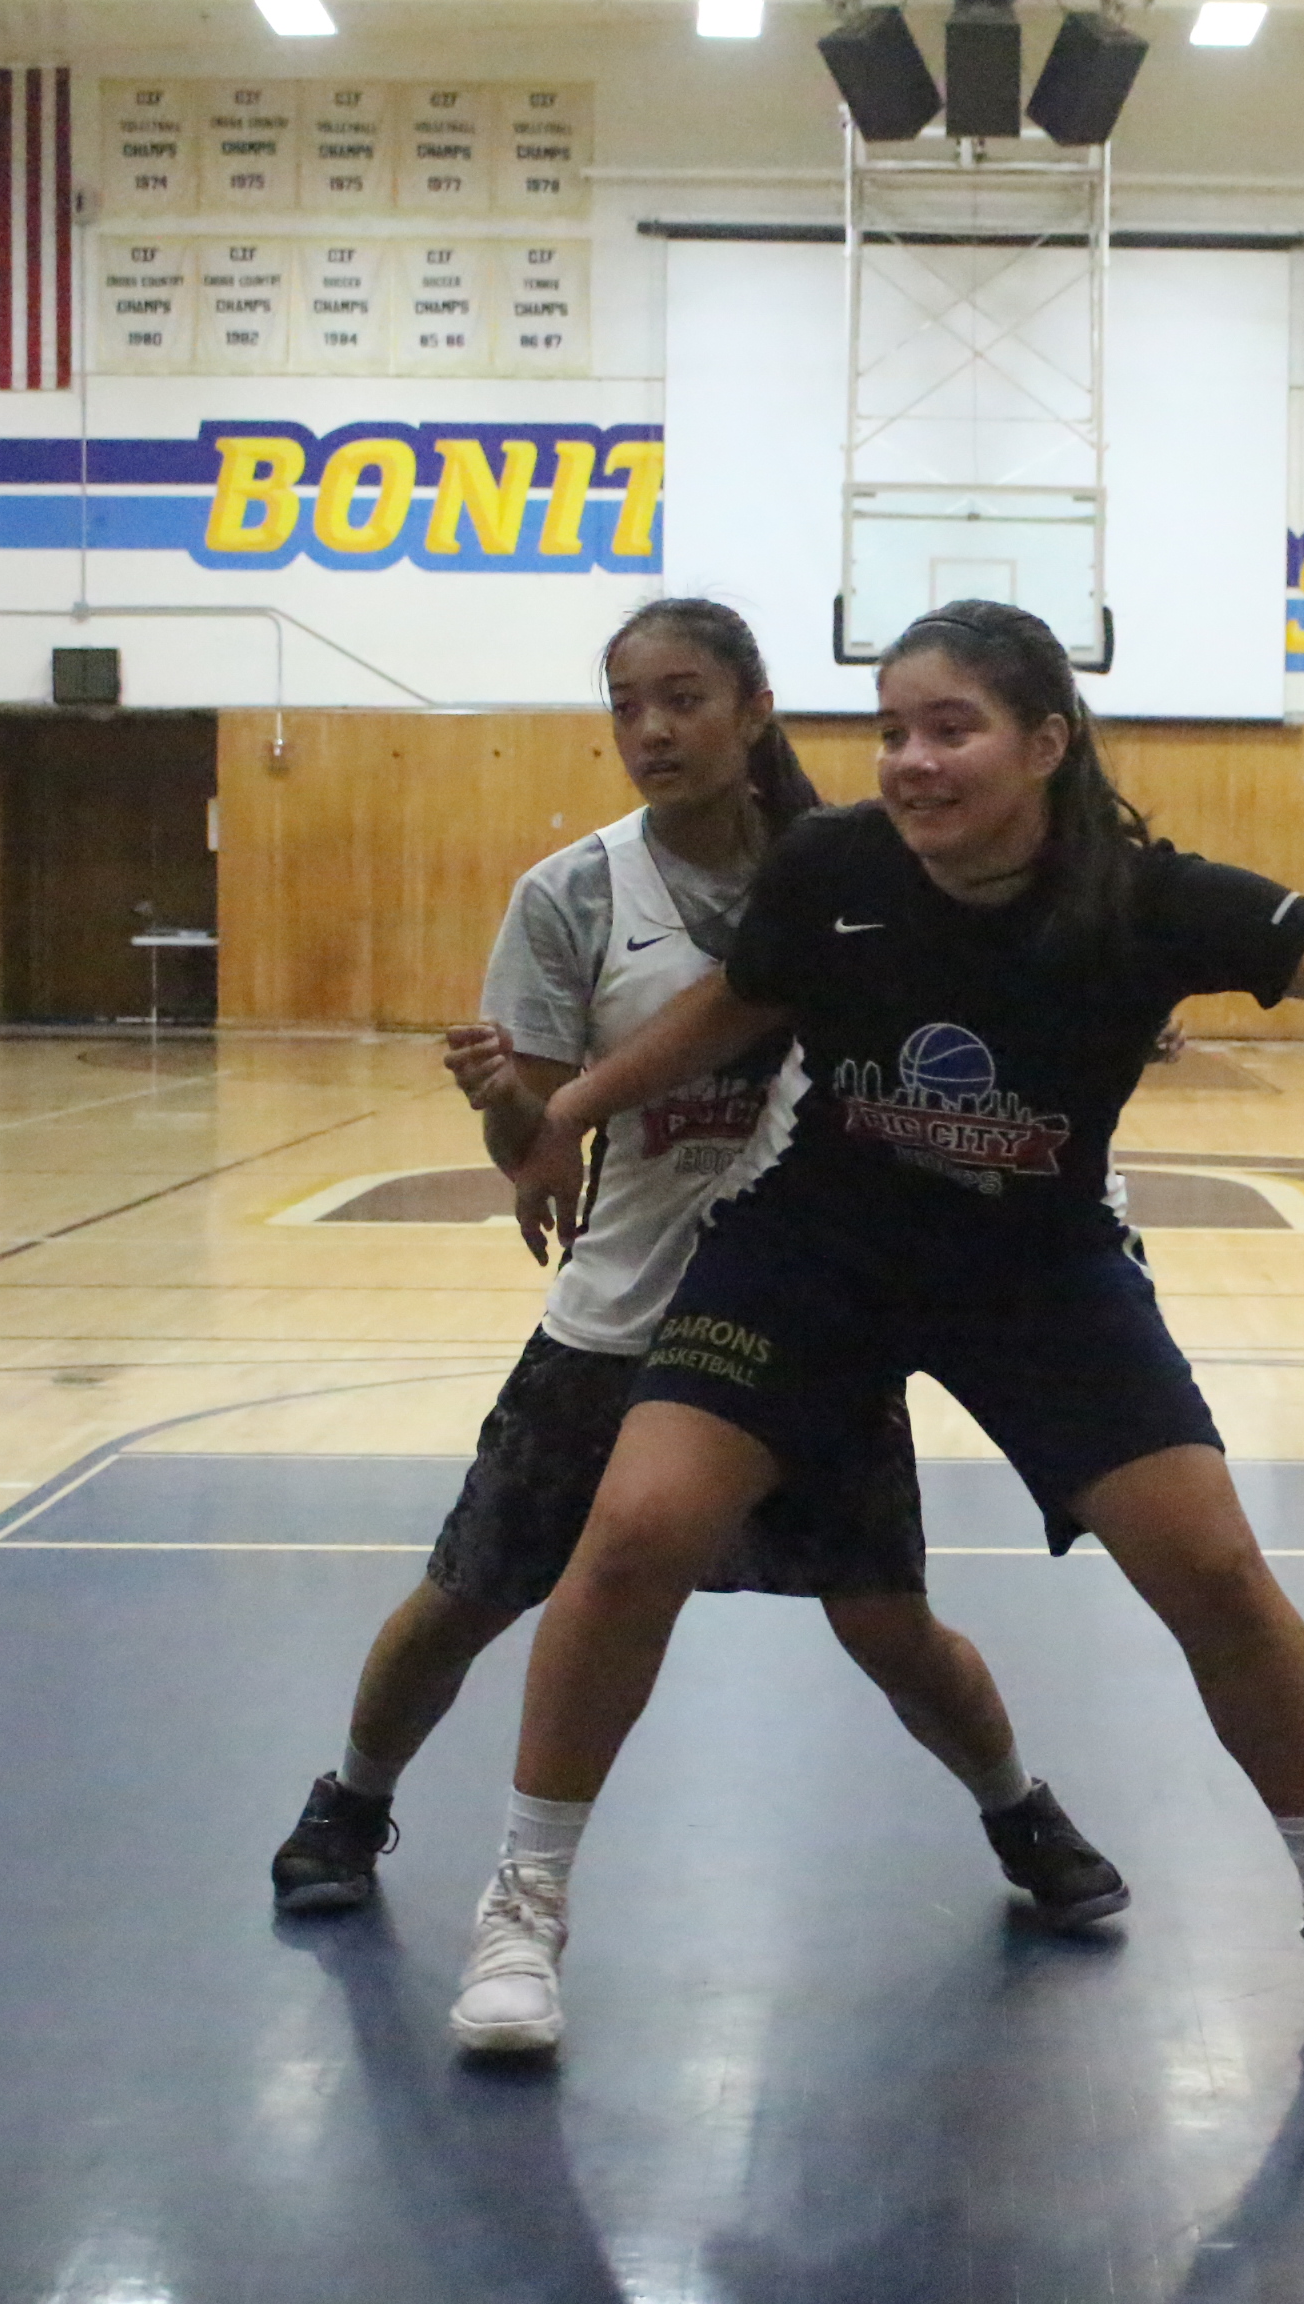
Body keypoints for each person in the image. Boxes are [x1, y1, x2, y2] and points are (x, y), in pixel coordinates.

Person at [448, 599, 1304, 2057]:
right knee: (635, 1531)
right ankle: (523, 1911)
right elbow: (727, 1011)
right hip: (818, 1245)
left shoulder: (1146, 899)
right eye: (891, 730)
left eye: (951, 728)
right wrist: (562, 1112)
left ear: (1046, 743)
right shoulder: (829, 867)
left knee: (1209, 1567)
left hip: (1034, 1268)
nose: (910, 760)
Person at [272, 598, 1128, 1936]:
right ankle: (352, 1801)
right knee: (473, 1591)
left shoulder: (870, 867)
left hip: (812, 1312)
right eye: (626, 705)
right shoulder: (573, 894)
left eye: (682, 699)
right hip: (625, 1313)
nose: (651, 730)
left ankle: (1020, 1808)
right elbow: (539, 1143)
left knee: (888, 1621)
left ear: (756, 710)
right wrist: (507, 1107)